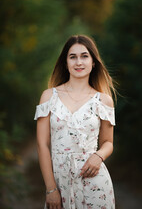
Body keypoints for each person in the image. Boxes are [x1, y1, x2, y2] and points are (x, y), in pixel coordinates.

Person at [34, 35, 116, 209]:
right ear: (66, 63)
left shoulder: (104, 100)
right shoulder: (49, 97)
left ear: (93, 62)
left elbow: (108, 142)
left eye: (84, 56)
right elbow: (42, 145)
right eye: (73, 57)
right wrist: (50, 189)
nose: (79, 62)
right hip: (59, 184)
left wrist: (98, 156)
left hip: (95, 182)